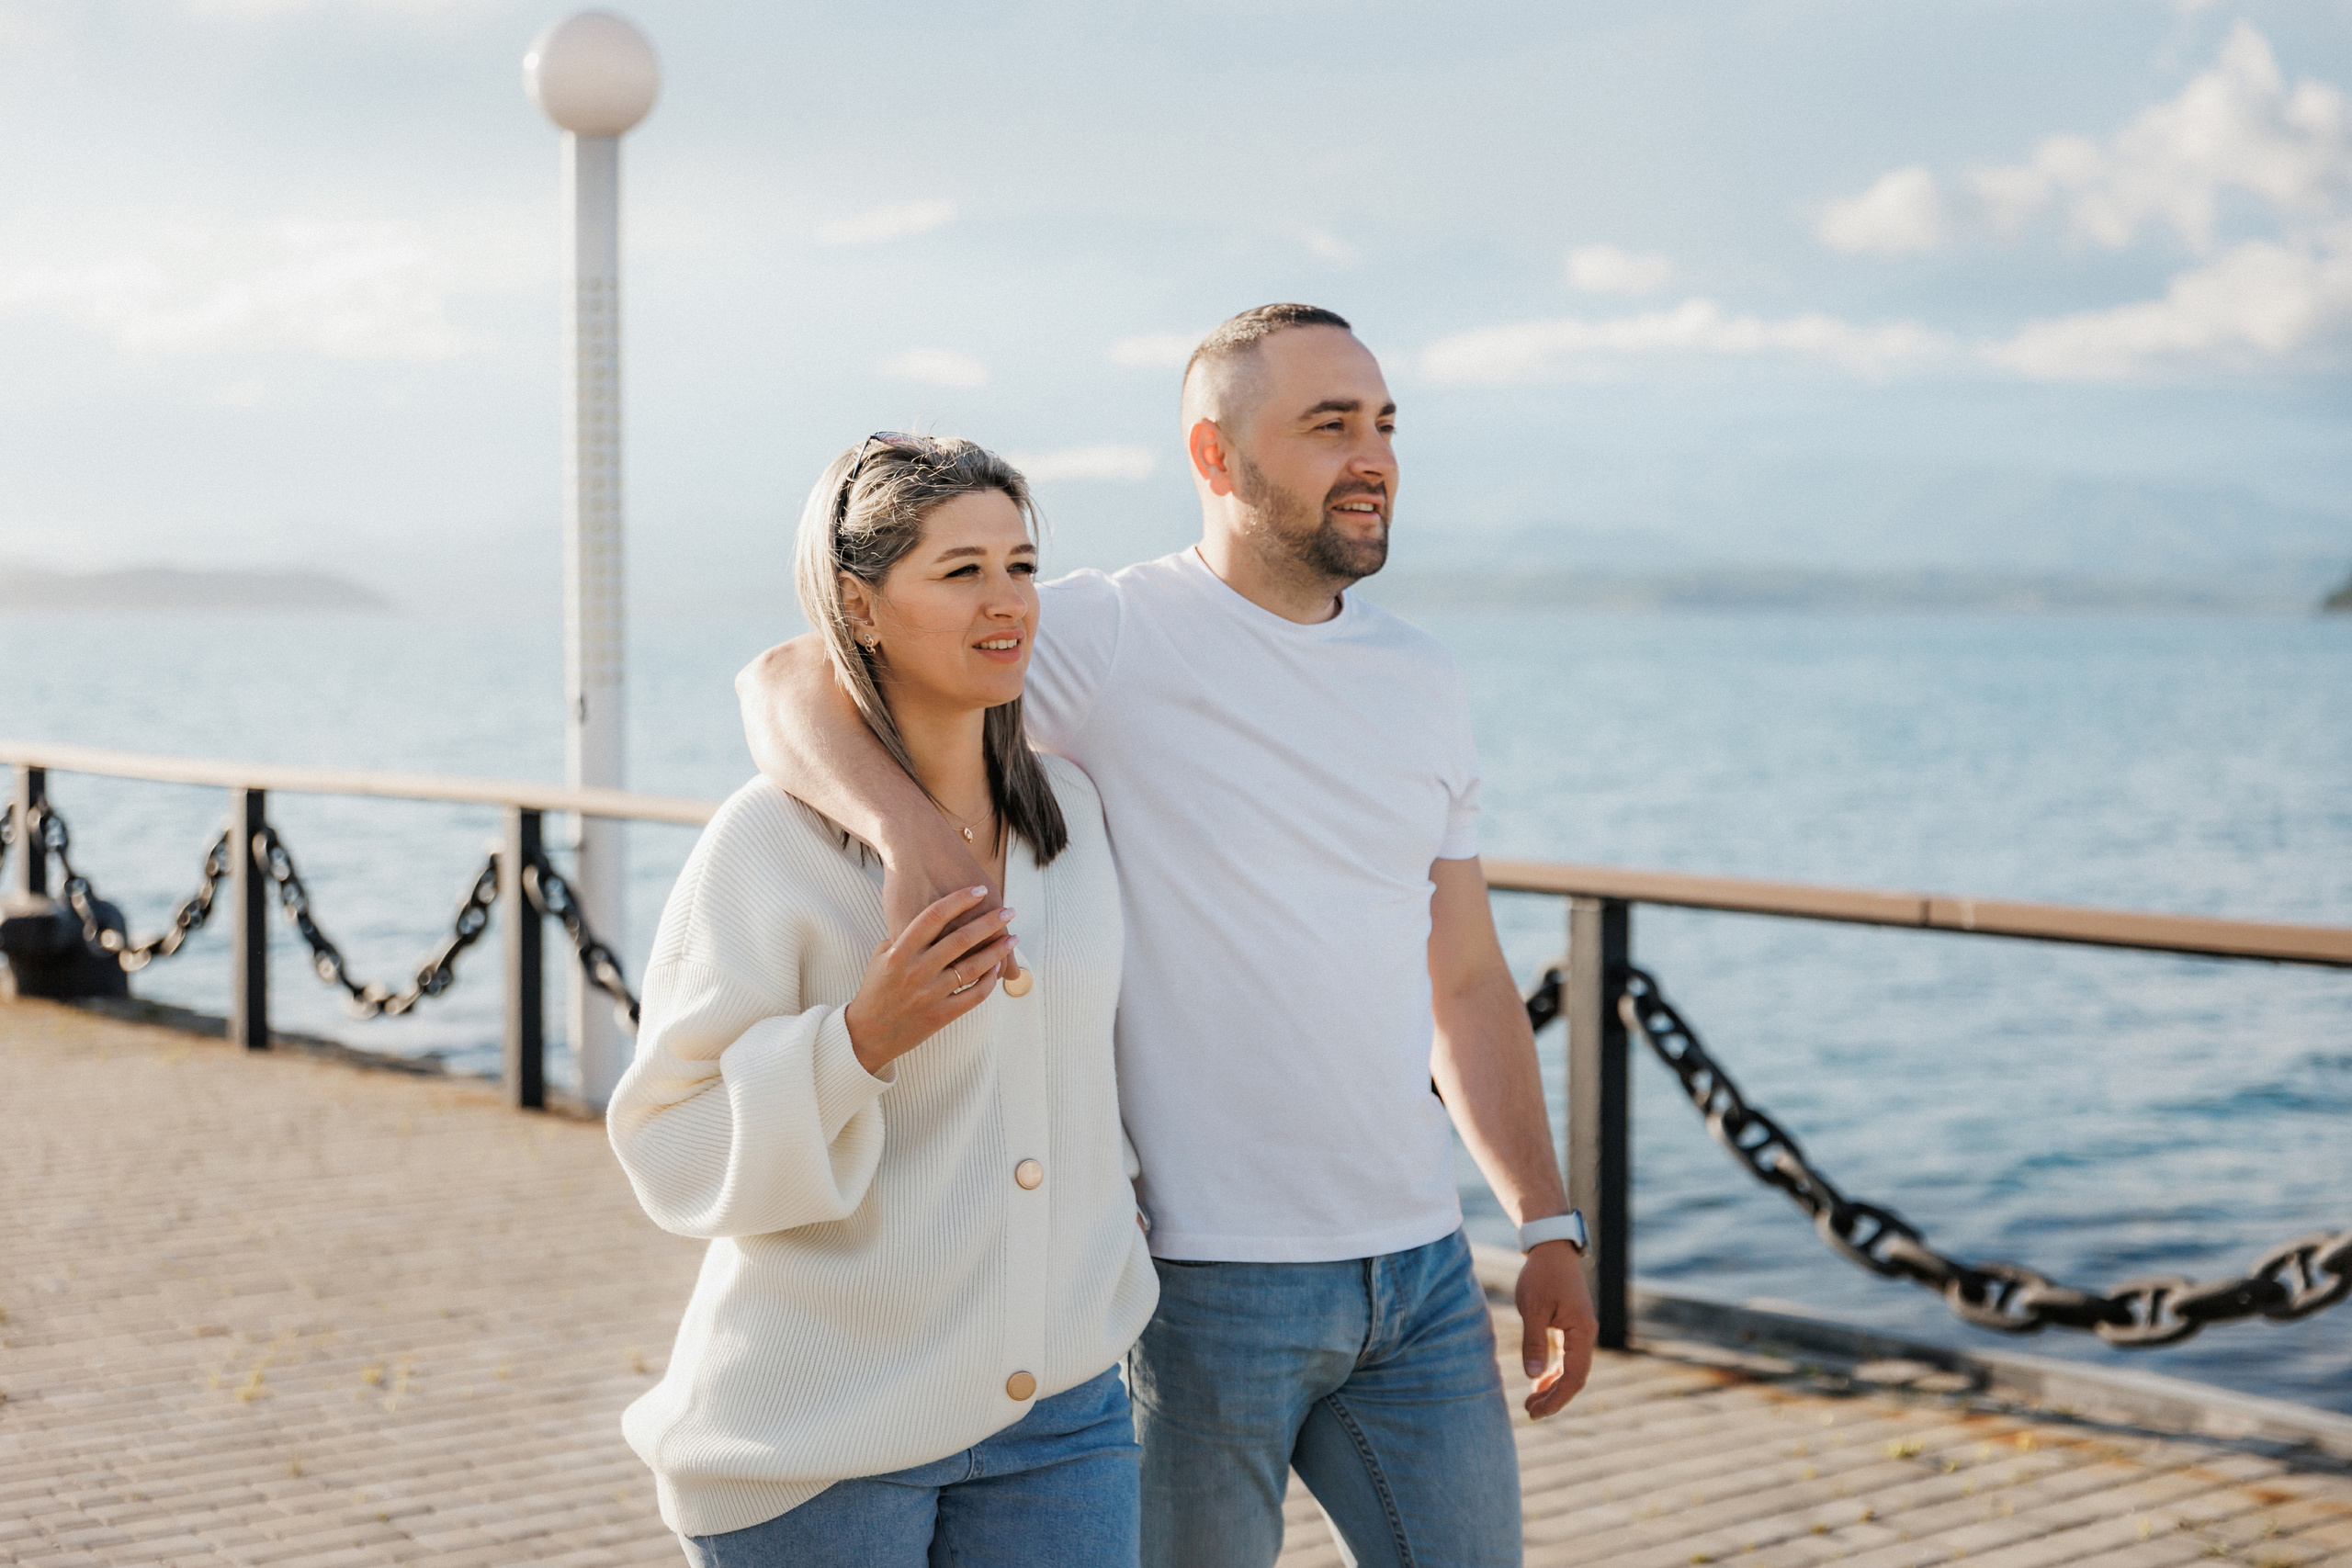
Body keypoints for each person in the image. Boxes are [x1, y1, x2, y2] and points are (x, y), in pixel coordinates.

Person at [736, 304, 1598, 1568]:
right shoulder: (1107, 632)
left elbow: (1464, 978)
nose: (1373, 454)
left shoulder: (1425, 677)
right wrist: (909, 832)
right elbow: (785, 678)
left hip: (1419, 1276)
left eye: (1385, 423)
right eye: (1327, 425)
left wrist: (1544, 1219)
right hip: (1191, 1288)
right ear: (1213, 456)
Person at [607, 434, 1159, 1567]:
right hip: (817, 1443)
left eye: (1021, 564)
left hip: (1062, 1423)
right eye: (959, 572)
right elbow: (666, 1146)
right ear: (858, 608)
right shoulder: (769, 842)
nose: (1005, 601)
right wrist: (860, 1042)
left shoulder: (1077, 820)